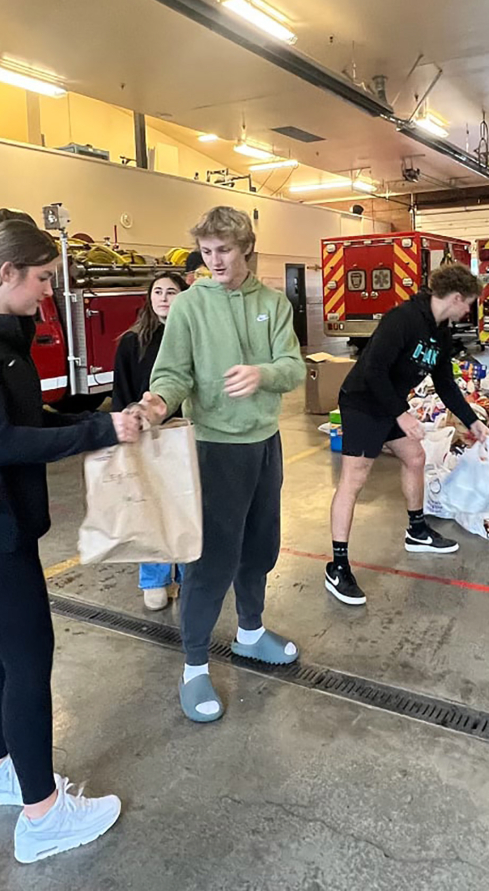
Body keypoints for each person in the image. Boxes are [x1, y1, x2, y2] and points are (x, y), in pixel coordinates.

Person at [0, 220, 142, 864]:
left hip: (2, 523)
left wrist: (106, 421)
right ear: (8, 271)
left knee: (5, 649)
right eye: (44, 278)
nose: (49, 293)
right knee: (27, 659)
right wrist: (97, 436)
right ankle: (43, 814)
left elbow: (31, 419)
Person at [140, 206, 305, 723]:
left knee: (259, 546)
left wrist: (263, 375)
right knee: (208, 560)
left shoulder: (273, 303)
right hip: (213, 448)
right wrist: (157, 403)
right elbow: (172, 373)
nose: (214, 261)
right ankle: (193, 667)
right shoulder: (189, 306)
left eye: (224, 251)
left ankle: (251, 632)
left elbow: (293, 366)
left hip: (264, 442)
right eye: (207, 252)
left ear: (246, 248)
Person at [325, 263, 489, 606]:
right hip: (361, 401)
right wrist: (401, 414)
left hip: (388, 403)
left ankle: (417, 530)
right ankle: (337, 566)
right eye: (469, 303)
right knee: (354, 479)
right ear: (457, 297)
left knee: (415, 456)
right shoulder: (403, 319)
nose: (468, 311)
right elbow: (372, 370)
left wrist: (470, 419)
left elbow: (444, 382)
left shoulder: (441, 331)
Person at [113, 271, 187, 610]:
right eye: (157, 291)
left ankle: (188, 577)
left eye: (171, 292)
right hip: (146, 439)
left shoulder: (192, 337)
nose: (162, 297)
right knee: (151, 510)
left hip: (186, 436)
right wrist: (126, 433)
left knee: (186, 506)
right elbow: (121, 392)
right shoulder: (132, 341)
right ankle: (155, 580)